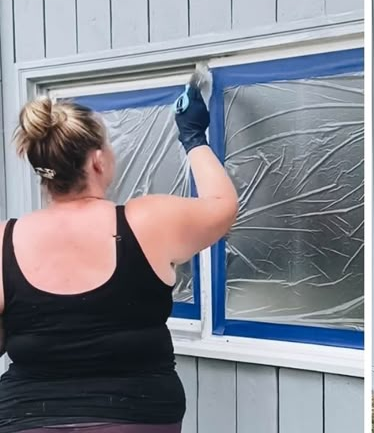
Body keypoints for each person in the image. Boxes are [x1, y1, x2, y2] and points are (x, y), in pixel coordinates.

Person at [0, 85, 237, 433]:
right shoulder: (145, 222)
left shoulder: (5, 240)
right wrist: (193, 138)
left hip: (26, 419)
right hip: (136, 417)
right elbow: (222, 205)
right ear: (98, 160)